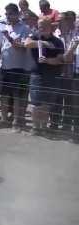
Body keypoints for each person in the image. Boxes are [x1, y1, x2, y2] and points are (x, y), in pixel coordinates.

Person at [0, 3, 34, 132]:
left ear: (17, 14)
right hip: (4, 66)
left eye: (10, 13)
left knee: (17, 96)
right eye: (6, 14)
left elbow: (22, 48)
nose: (8, 16)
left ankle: (16, 122)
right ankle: (4, 120)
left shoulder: (25, 28)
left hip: (18, 67)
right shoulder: (3, 27)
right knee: (4, 95)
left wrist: (8, 37)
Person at [24, 18, 65, 136]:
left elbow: (60, 60)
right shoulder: (35, 36)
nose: (40, 28)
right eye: (39, 26)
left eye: (42, 26)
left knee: (47, 104)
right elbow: (26, 43)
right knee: (36, 103)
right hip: (37, 75)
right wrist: (43, 43)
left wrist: (47, 60)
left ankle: (43, 127)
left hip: (52, 76)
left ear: (49, 26)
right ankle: (36, 128)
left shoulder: (57, 41)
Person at [54, 11, 79, 139]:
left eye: (61, 20)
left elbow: (70, 57)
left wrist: (61, 57)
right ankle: (55, 127)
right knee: (56, 102)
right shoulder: (56, 35)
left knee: (71, 103)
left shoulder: (76, 35)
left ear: (69, 21)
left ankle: (69, 129)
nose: (58, 22)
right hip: (58, 73)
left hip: (72, 74)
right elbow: (53, 55)